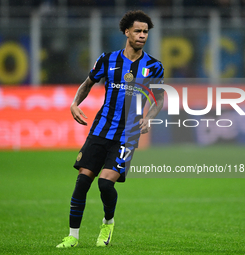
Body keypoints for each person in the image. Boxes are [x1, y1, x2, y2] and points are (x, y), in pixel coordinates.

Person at [56, 10, 165, 248]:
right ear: (126, 32)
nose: (142, 35)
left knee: (105, 183)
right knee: (83, 181)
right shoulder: (107, 59)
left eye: (145, 32)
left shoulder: (154, 66)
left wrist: (150, 117)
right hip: (101, 130)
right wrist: (75, 103)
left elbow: (158, 97)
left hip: (128, 134)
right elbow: (88, 83)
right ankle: (72, 237)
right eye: (137, 31)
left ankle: (108, 222)